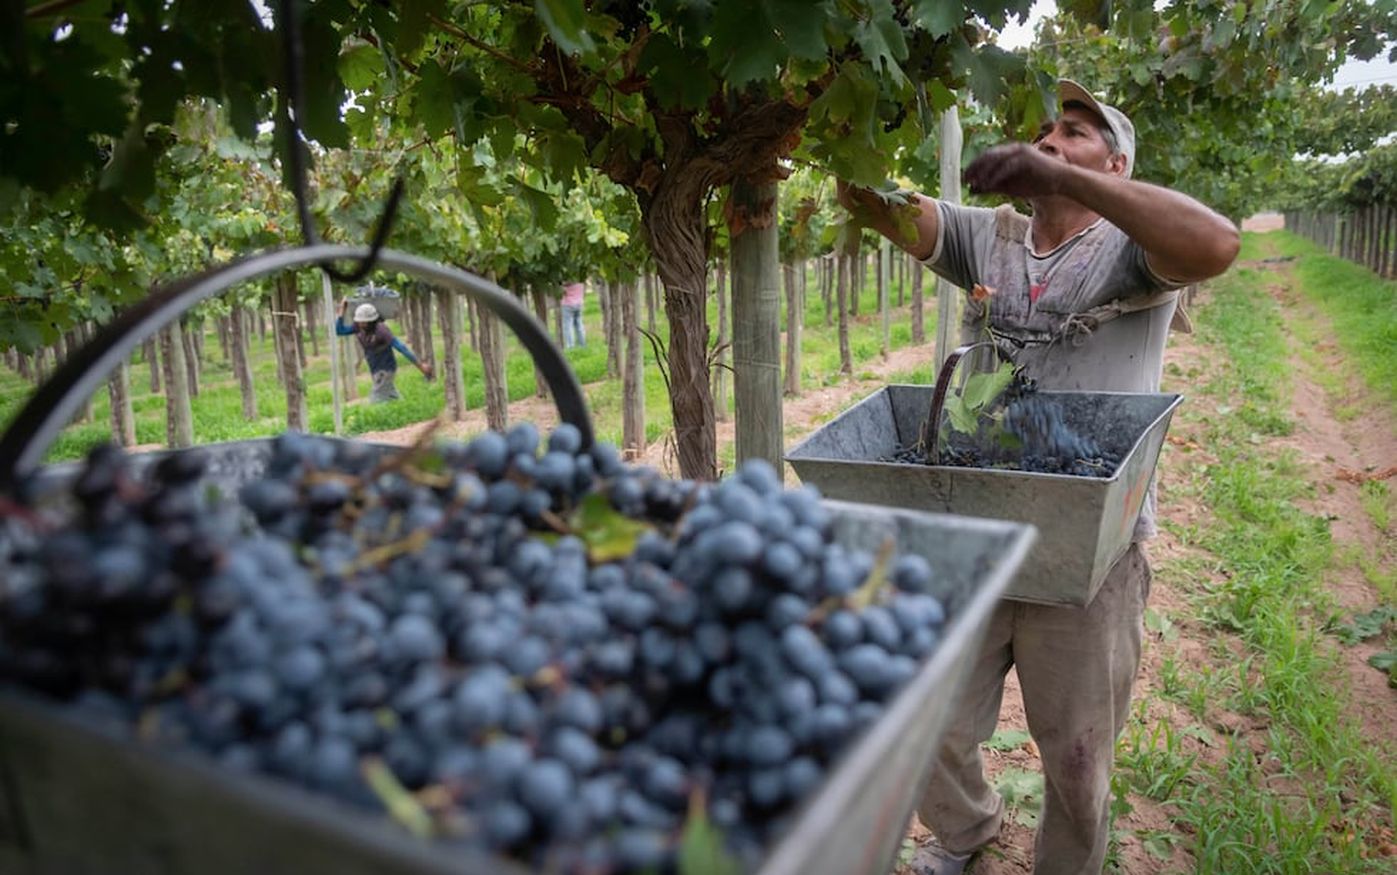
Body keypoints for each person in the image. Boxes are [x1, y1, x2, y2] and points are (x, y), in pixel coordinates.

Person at [838, 80, 1239, 875]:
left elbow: (1218, 244)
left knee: (1078, 758)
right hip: (976, 521)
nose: (1052, 138)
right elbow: (878, 206)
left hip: (1090, 542)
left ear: (1116, 166)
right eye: (1046, 132)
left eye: (1077, 132)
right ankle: (965, 833)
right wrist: (842, 121)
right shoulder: (987, 237)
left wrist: (1069, 182)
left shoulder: (1134, 248)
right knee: (927, 718)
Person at [336, 299, 434, 403]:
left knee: (375, 397)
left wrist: (420, 366)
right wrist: (341, 312)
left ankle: (375, 415)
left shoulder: (381, 330)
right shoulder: (359, 328)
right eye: (359, 321)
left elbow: (401, 348)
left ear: (371, 321)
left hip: (386, 368)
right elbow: (340, 331)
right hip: (374, 368)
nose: (360, 323)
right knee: (390, 393)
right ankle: (407, 404)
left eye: (363, 321)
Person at [560, 280, 586, 348]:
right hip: (579, 304)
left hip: (568, 304)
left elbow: (562, 289)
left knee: (568, 326)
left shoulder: (566, 280)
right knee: (579, 325)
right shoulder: (580, 277)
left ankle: (570, 346)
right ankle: (582, 344)